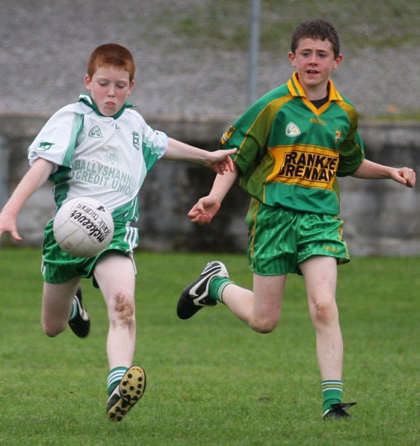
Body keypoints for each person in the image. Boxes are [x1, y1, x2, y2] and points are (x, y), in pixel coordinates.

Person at [0, 43, 236, 423]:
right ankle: (74, 302)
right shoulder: (72, 118)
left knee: (123, 304)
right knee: (53, 327)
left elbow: (162, 144)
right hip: (68, 233)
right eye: (103, 84)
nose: (111, 93)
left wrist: (209, 156)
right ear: (88, 81)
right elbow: (42, 167)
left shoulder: (134, 124)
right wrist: (8, 212)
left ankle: (118, 386)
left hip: (114, 232)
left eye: (119, 85)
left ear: (131, 86)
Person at [176, 19, 416, 420]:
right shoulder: (273, 107)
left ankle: (333, 403)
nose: (313, 61)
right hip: (274, 219)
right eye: (305, 53)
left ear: (336, 61)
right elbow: (234, 157)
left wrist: (390, 171)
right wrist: (215, 198)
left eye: (322, 55)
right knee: (264, 321)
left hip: (320, 220)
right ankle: (215, 284)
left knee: (324, 305)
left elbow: (350, 164)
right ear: (292, 59)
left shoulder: (344, 115)